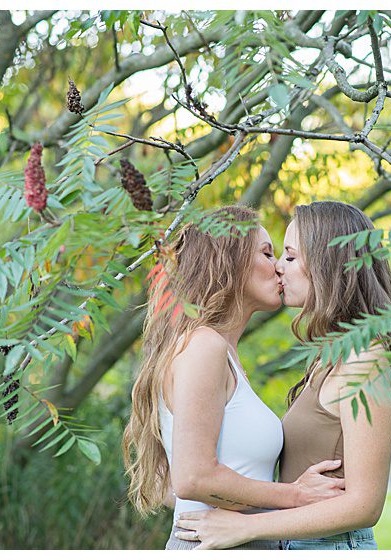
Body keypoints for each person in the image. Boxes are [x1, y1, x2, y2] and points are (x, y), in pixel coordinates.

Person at [173, 201, 391, 550]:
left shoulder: (363, 359)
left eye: (290, 257)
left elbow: (365, 505)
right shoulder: (331, 357)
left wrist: (247, 527)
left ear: (328, 264)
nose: (278, 267)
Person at [122, 206, 345, 550]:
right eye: (267, 253)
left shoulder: (219, 351)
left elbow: (168, 484)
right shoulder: (205, 346)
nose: (278, 266)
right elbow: (193, 478)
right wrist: (295, 495)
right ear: (229, 260)